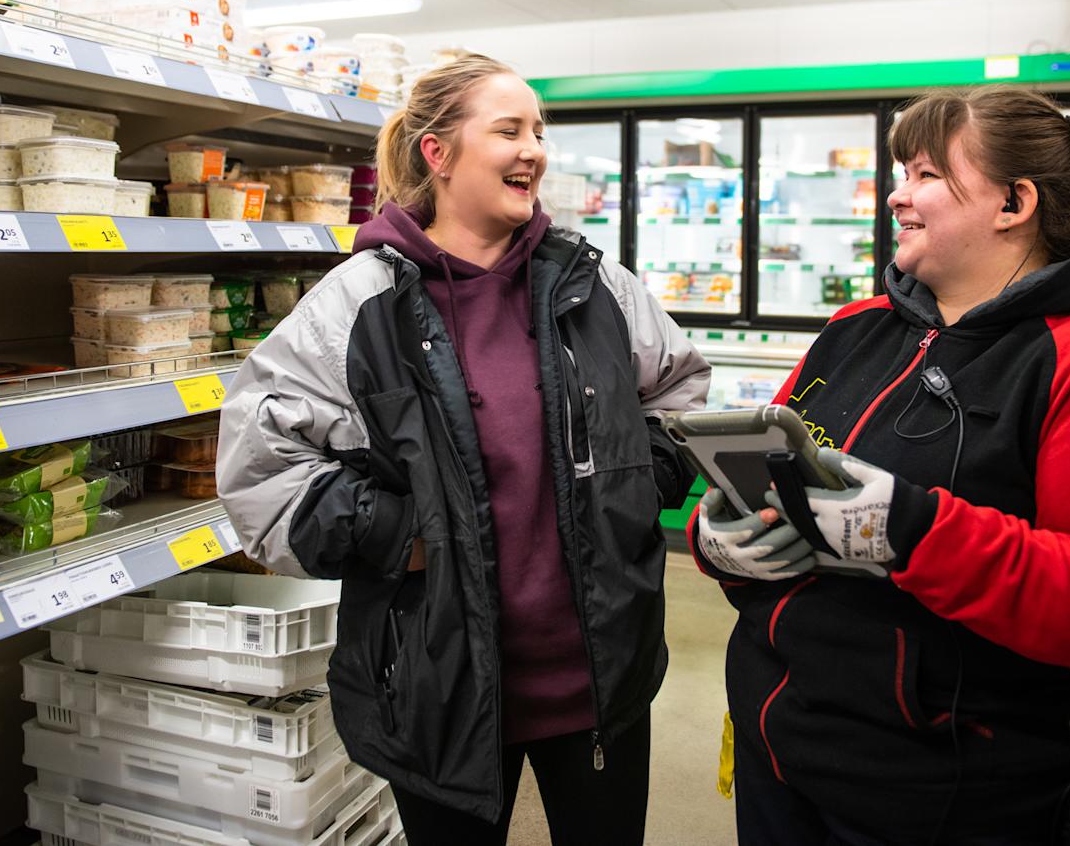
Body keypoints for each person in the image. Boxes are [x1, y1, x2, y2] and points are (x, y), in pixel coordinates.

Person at [690, 86, 1070, 845]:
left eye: (927, 175)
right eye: (901, 173)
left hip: (953, 796)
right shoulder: (854, 329)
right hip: (783, 755)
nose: (897, 195)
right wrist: (722, 542)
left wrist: (911, 530)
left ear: (1014, 202)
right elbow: (771, 480)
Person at [217, 54, 710, 846]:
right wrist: (398, 535)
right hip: (440, 683)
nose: (533, 151)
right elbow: (261, 465)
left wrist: (635, 486)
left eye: (539, 132)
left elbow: (677, 390)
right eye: (509, 130)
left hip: (600, 673)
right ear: (437, 153)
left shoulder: (594, 286)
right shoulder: (359, 304)